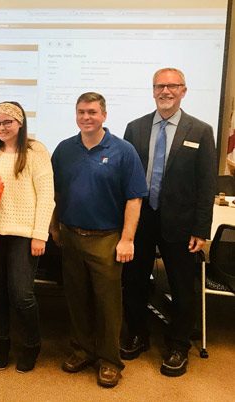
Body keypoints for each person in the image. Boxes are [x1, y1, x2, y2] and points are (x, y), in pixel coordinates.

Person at [121, 68, 217, 377]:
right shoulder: (134, 128)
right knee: (133, 282)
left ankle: (178, 346)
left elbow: (206, 184)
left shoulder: (200, 131)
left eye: (172, 86)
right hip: (141, 219)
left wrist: (202, 230)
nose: (165, 91)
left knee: (182, 287)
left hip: (182, 224)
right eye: (160, 86)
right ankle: (137, 334)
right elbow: (124, 180)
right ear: (152, 91)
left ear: (184, 91)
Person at [50, 92, 147, 388]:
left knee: (108, 303)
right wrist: (54, 226)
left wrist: (127, 238)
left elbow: (134, 198)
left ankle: (109, 361)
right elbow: (53, 192)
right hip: (70, 235)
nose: (86, 117)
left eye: (92, 112)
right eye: (81, 112)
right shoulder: (64, 149)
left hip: (106, 238)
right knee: (76, 298)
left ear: (104, 115)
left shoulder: (123, 150)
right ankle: (82, 350)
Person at [0, 101, 55, 372]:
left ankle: (32, 344)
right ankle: (2, 341)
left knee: (22, 294)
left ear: (20, 123)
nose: (1, 127)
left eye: (7, 122)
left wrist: (40, 235)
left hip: (24, 234)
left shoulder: (35, 151)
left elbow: (47, 195)